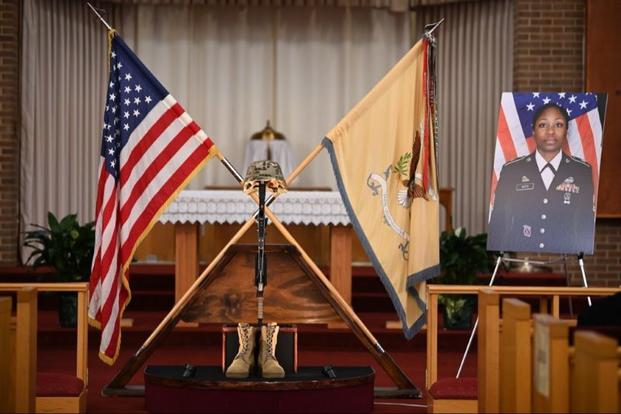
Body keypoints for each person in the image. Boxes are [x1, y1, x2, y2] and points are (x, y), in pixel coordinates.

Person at [487, 102, 596, 254]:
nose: (551, 132)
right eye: (543, 125)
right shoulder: (512, 170)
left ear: (566, 131)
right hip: (519, 254)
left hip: (565, 252)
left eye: (558, 125)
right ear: (533, 131)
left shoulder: (581, 171)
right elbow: (500, 221)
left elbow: (584, 222)